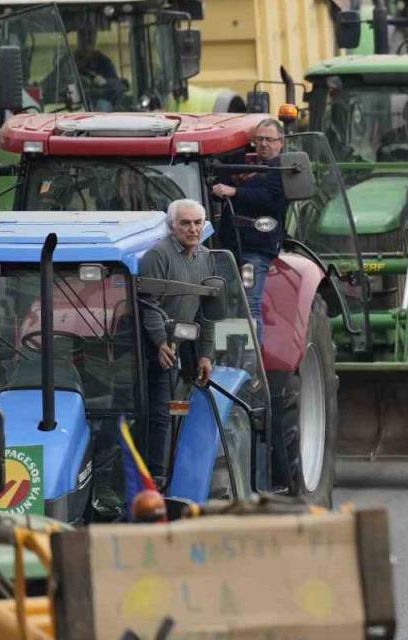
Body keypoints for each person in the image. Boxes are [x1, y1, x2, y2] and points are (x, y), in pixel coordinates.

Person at [138, 199, 216, 484]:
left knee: (178, 407)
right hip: (150, 344)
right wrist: (160, 342)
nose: (192, 229)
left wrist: (205, 354)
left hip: (182, 341)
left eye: (197, 223)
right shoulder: (158, 256)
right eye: (185, 223)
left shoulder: (206, 257)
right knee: (159, 412)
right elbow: (149, 305)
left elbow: (208, 311)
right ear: (172, 227)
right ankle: (155, 477)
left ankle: (174, 470)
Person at [211, 119, 287, 344]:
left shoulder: (282, 168)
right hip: (230, 246)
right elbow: (218, 186)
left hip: (257, 248)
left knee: (250, 305)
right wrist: (233, 180)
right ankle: (227, 354)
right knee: (226, 306)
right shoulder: (244, 165)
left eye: (269, 139)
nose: (263, 144)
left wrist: (235, 190)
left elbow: (270, 198)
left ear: (281, 142)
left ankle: (252, 360)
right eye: (259, 139)